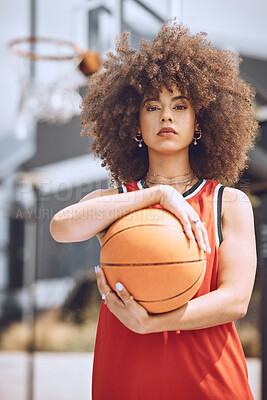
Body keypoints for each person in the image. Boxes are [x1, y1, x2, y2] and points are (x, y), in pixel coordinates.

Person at [50, 19, 258, 400]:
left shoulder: (228, 202)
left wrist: (153, 324)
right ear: (134, 124)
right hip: (125, 385)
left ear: (199, 124)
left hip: (211, 387)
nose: (166, 116)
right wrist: (154, 196)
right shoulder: (118, 202)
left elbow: (235, 300)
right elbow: (61, 227)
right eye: (152, 106)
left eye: (180, 106)